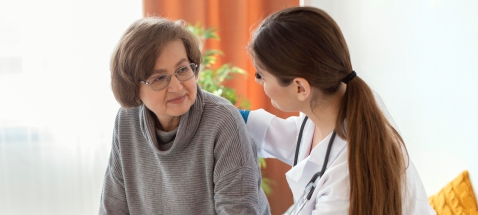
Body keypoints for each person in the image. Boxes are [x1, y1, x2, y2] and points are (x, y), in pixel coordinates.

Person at [239, 6, 435, 215]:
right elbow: (284, 135)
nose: (258, 82)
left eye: (261, 76)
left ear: (300, 88)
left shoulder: (346, 180)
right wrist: (223, 113)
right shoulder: (329, 116)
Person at [99, 17, 270, 215]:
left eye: (182, 69)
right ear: (133, 87)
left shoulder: (223, 121)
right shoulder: (126, 121)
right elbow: (112, 207)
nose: (177, 87)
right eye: (160, 78)